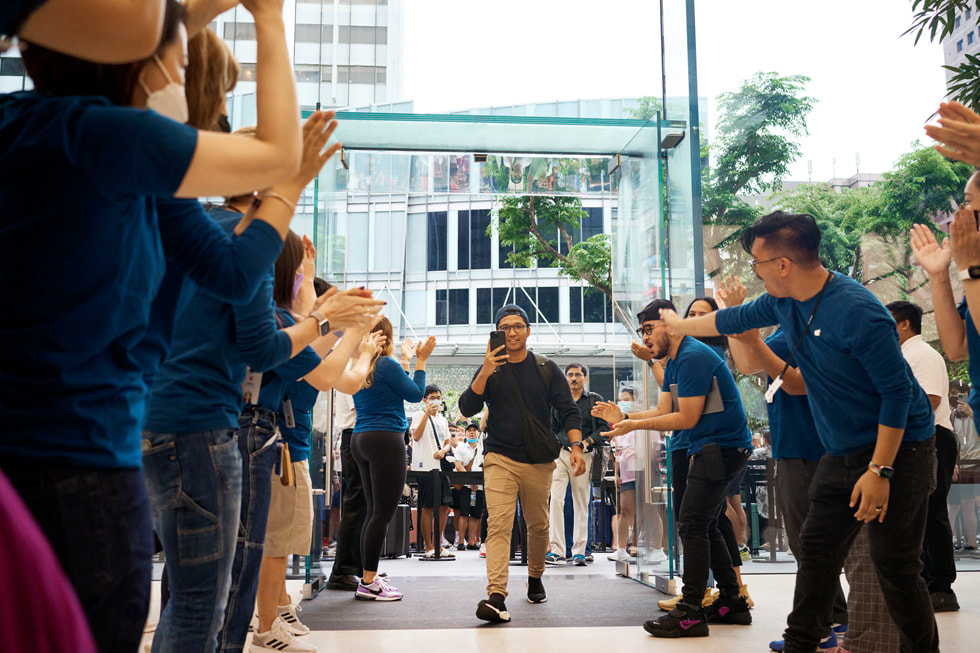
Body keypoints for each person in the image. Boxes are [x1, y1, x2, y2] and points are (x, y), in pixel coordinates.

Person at [0, 2, 305, 648]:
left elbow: (229, 269)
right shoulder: (108, 137)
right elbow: (280, 150)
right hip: (83, 467)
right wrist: (270, 19)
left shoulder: (29, 128)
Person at [665, 211, 937, 652]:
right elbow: (728, 323)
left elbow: (897, 397)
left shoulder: (859, 312)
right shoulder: (784, 302)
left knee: (895, 565)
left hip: (900, 449)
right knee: (815, 551)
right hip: (842, 449)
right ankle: (801, 643)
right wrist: (675, 326)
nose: (754, 272)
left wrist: (880, 471)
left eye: (757, 263)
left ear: (784, 265)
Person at [252, 248, 385, 653]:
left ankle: (276, 609)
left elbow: (331, 368)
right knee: (274, 543)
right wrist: (354, 333)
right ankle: (268, 621)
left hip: (280, 446)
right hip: (280, 448)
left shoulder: (283, 327)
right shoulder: (279, 326)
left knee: (274, 541)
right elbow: (334, 377)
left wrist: (344, 327)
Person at [596, 298, 753, 639]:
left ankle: (691, 611)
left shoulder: (694, 356)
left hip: (721, 449)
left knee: (693, 524)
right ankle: (731, 602)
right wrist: (624, 418)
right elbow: (662, 409)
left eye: (649, 329)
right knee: (705, 524)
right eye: (642, 331)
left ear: (669, 324)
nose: (646, 338)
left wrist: (631, 425)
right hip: (712, 448)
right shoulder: (677, 361)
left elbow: (686, 418)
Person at [721, 276, 848, 651]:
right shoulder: (783, 338)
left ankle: (824, 626)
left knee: (812, 542)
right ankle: (833, 620)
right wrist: (732, 314)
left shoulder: (823, 335)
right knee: (810, 543)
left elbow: (794, 383)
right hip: (794, 449)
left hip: (819, 450)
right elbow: (746, 362)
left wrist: (738, 320)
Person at [459, 304, 584, 624]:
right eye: (505, 327)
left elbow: (568, 410)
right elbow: (467, 407)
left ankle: (535, 576)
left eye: (518, 326)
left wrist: (577, 446)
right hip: (499, 457)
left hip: (539, 462)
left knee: (538, 525)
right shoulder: (491, 367)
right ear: (497, 332)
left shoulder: (546, 368)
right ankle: (496, 596)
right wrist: (485, 370)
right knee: (499, 522)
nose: (512, 332)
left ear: (528, 330)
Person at [351, 319, 435, 601]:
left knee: (374, 512)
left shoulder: (362, 366)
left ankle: (368, 576)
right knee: (382, 513)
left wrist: (405, 361)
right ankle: (369, 581)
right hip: (385, 439)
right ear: (385, 337)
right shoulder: (385, 365)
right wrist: (421, 362)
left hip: (361, 438)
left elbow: (392, 390)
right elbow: (414, 393)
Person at [886, 300, 958, 612]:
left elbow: (929, 400)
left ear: (904, 324)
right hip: (912, 440)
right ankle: (925, 582)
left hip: (932, 438)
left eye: (887, 321)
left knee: (932, 512)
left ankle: (942, 587)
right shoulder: (902, 355)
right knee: (915, 515)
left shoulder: (923, 354)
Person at [546, 363, 610, 567]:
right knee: (555, 500)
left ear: (585, 378)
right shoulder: (558, 400)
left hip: (584, 455)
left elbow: (603, 428)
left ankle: (579, 552)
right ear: (565, 378)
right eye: (570, 375)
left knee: (582, 502)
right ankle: (556, 550)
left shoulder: (594, 400)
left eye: (578, 375)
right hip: (560, 454)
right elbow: (550, 427)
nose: (574, 378)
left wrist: (586, 442)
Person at [410, 385, 456, 559]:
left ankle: (438, 544)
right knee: (427, 507)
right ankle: (428, 546)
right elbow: (416, 436)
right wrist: (427, 414)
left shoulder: (443, 420)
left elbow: (446, 442)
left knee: (444, 507)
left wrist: (444, 451)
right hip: (425, 467)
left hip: (440, 467)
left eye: (438, 397)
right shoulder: (418, 415)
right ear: (425, 399)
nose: (435, 400)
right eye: (432, 397)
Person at [326, 390, 362, 590]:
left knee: (363, 505)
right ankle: (342, 570)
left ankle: (359, 567)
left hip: (360, 434)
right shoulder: (351, 369)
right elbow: (362, 407)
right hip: (355, 434)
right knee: (354, 504)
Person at [452, 421, 486, 550]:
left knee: (477, 515)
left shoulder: (483, 447)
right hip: (466, 486)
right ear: (465, 433)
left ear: (478, 433)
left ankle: (472, 541)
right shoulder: (461, 447)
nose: (472, 432)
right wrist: (470, 479)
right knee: (464, 513)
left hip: (481, 486)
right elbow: (458, 465)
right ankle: (461, 541)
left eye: (474, 430)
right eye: (469, 430)